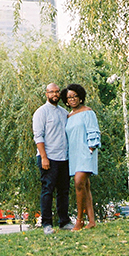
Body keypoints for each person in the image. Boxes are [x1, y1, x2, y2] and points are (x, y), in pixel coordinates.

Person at [33, 82, 73, 233]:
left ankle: (64, 221)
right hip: (48, 158)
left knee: (63, 191)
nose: (55, 95)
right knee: (47, 191)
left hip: (64, 157)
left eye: (57, 92)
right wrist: (44, 157)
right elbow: (38, 136)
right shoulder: (41, 113)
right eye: (52, 92)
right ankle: (47, 224)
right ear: (46, 94)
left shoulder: (64, 113)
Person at [62, 83, 101, 230]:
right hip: (74, 154)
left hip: (86, 152)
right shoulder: (68, 116)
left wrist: (91, 148)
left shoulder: (88, 112)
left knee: (78, 182)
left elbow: (93, 131)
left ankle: (79, 220)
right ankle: (91, 221)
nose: (72, 99)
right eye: (69, 97)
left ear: (80, 97)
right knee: (85, 186)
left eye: (75, 96)